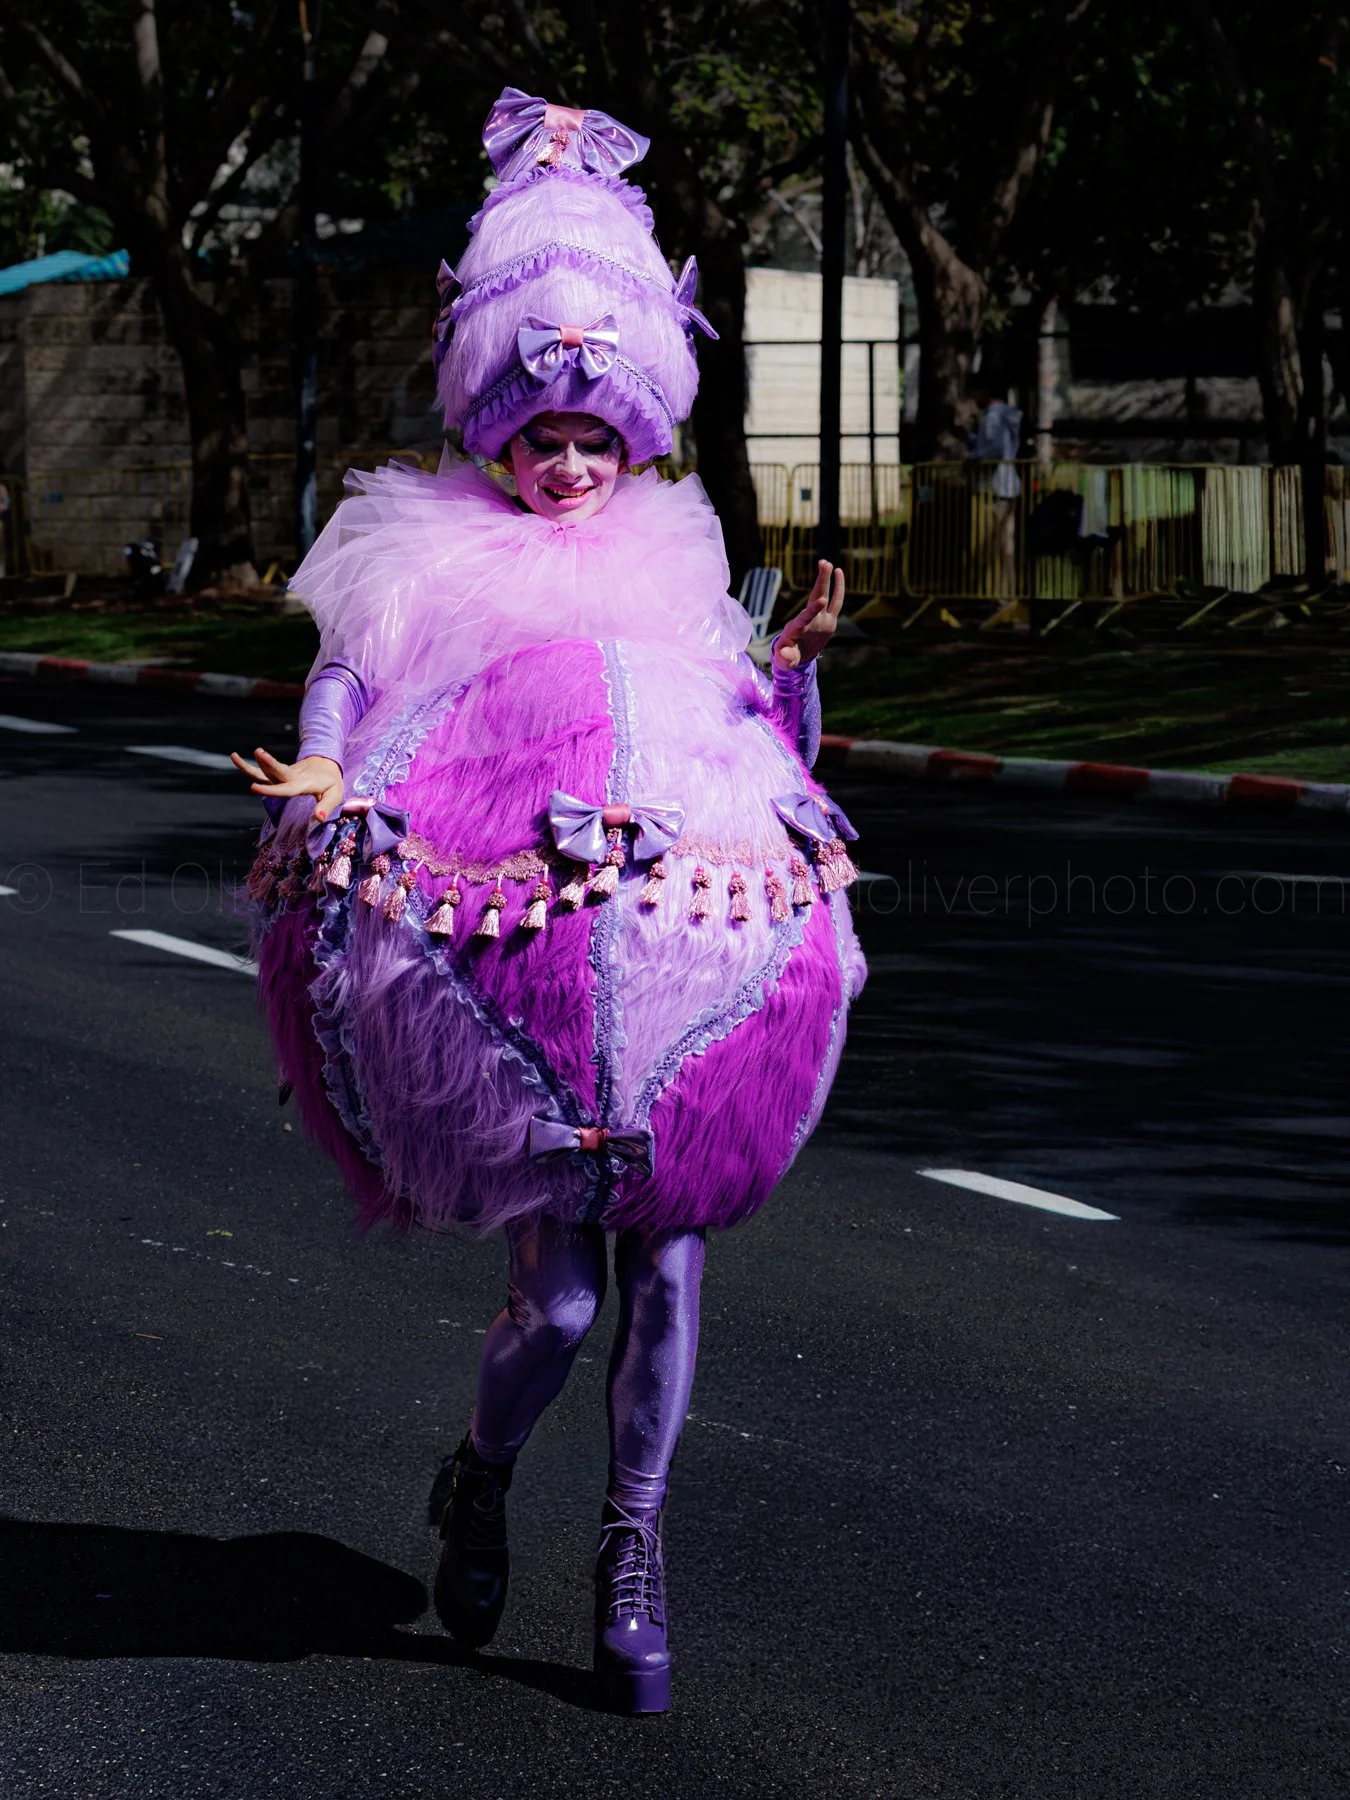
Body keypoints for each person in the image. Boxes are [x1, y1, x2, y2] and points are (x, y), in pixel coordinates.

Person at [231, 86, 866, 1716]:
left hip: (672, 971)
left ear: (634, 432)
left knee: (665, 1271)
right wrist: (318, 766)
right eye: (540, 436)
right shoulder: (426, 544)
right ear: (494, 431)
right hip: (513, 968)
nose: (569, 465)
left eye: (595, 436)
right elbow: (353, 670)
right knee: (561, 1294)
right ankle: (484, 1468)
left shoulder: (672, 547)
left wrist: (781, 673)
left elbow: (746, 749)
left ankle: (632, 1546)